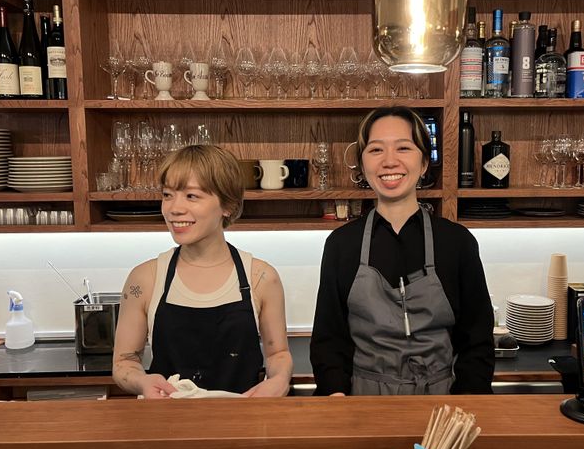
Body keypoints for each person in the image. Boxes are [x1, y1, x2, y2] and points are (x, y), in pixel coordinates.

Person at [310, 107, 495, 396]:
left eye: (404, 148)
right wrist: (337, 398)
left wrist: (462, 407)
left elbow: (477, 341)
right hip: (361, 401)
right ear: (362, 164)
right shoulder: (341, 244)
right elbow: (329, 340)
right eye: (375, 150)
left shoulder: (457, 242)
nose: (389, 161)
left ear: (424, 163)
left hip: (443, 402)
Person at [113, 145, 292, 399]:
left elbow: (278, 354)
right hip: (168, 420)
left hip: (242, 418)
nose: (174, 208)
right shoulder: (145, 279)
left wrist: (280, 380)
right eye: (167, 195)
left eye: (191, 196)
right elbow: (124, 361)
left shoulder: (261, 278)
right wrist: (142, 382)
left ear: (227, 205)